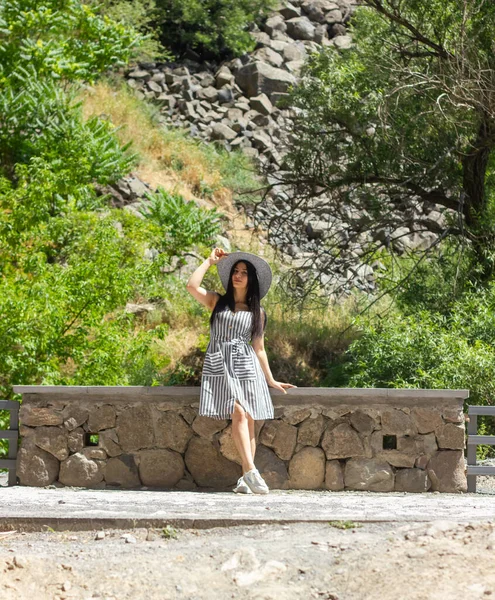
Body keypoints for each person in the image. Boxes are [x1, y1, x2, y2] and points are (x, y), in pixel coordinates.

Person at [186, 247, 296, 495]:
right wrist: (209, 262)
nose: (238, 275)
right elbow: (191, 287)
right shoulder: (217, 301)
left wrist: (270, 379)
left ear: (251, 279)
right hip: (219, 363)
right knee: (238, 411)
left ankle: (246, 480)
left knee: (248, 418)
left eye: (243, 272)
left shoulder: (258, 312)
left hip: (246, 366)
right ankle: (250, 471)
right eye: (235, 271)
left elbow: (259, 349)